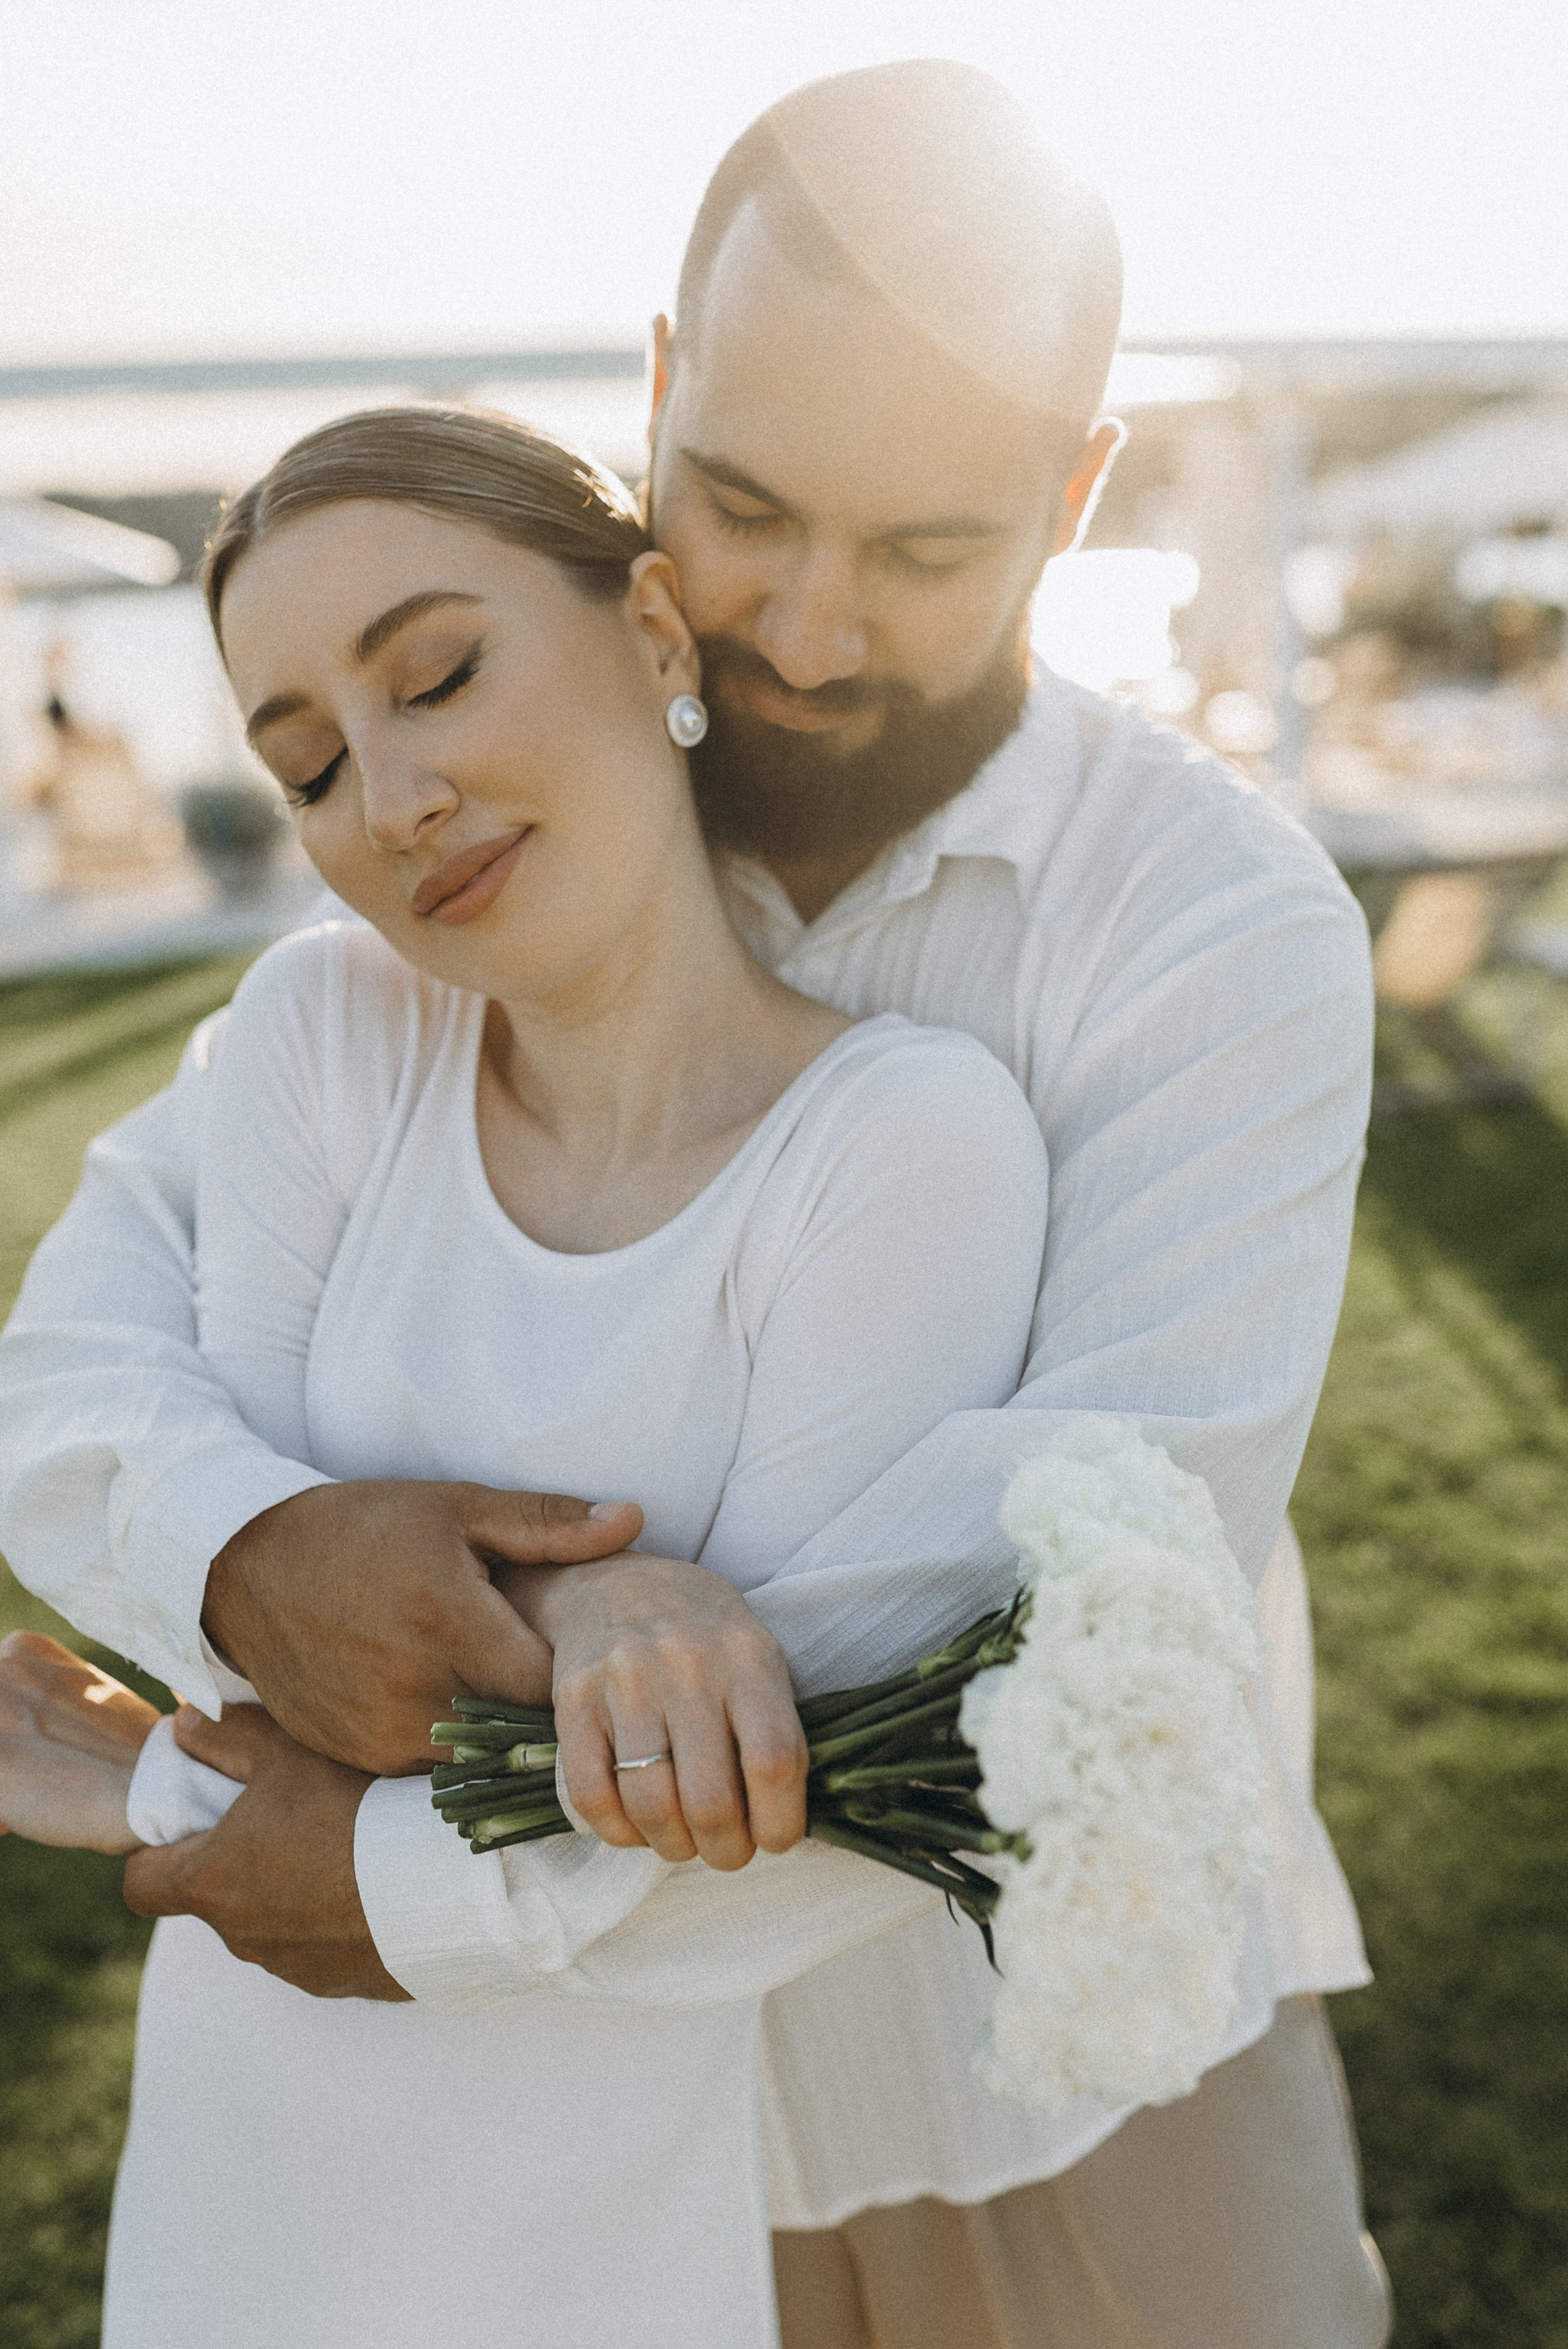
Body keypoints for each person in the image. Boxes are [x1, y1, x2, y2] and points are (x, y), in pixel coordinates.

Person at [0, 59, 1391, 2349]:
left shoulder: (1211, 932)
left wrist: (391, 1868)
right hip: (530, 2139)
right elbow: (84, 1366)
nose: (813, 630)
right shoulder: (452, 899)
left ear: (1076, 491)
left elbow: (1035, 1590)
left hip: (1036, 2059)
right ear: (657, 396)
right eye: (740, 505)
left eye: (932, 545)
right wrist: (250, 1547)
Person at [2, 401, 1053, 2346]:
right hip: (245, 2132)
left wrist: (158, 1783)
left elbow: (763, 1811)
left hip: (601, 2203)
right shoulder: (327, 1031)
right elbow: (258, 1634)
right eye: (308, 760)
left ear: (659, 637)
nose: (388, 799)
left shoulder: (905, 1149)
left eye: (439, 676)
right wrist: (587, 1607)